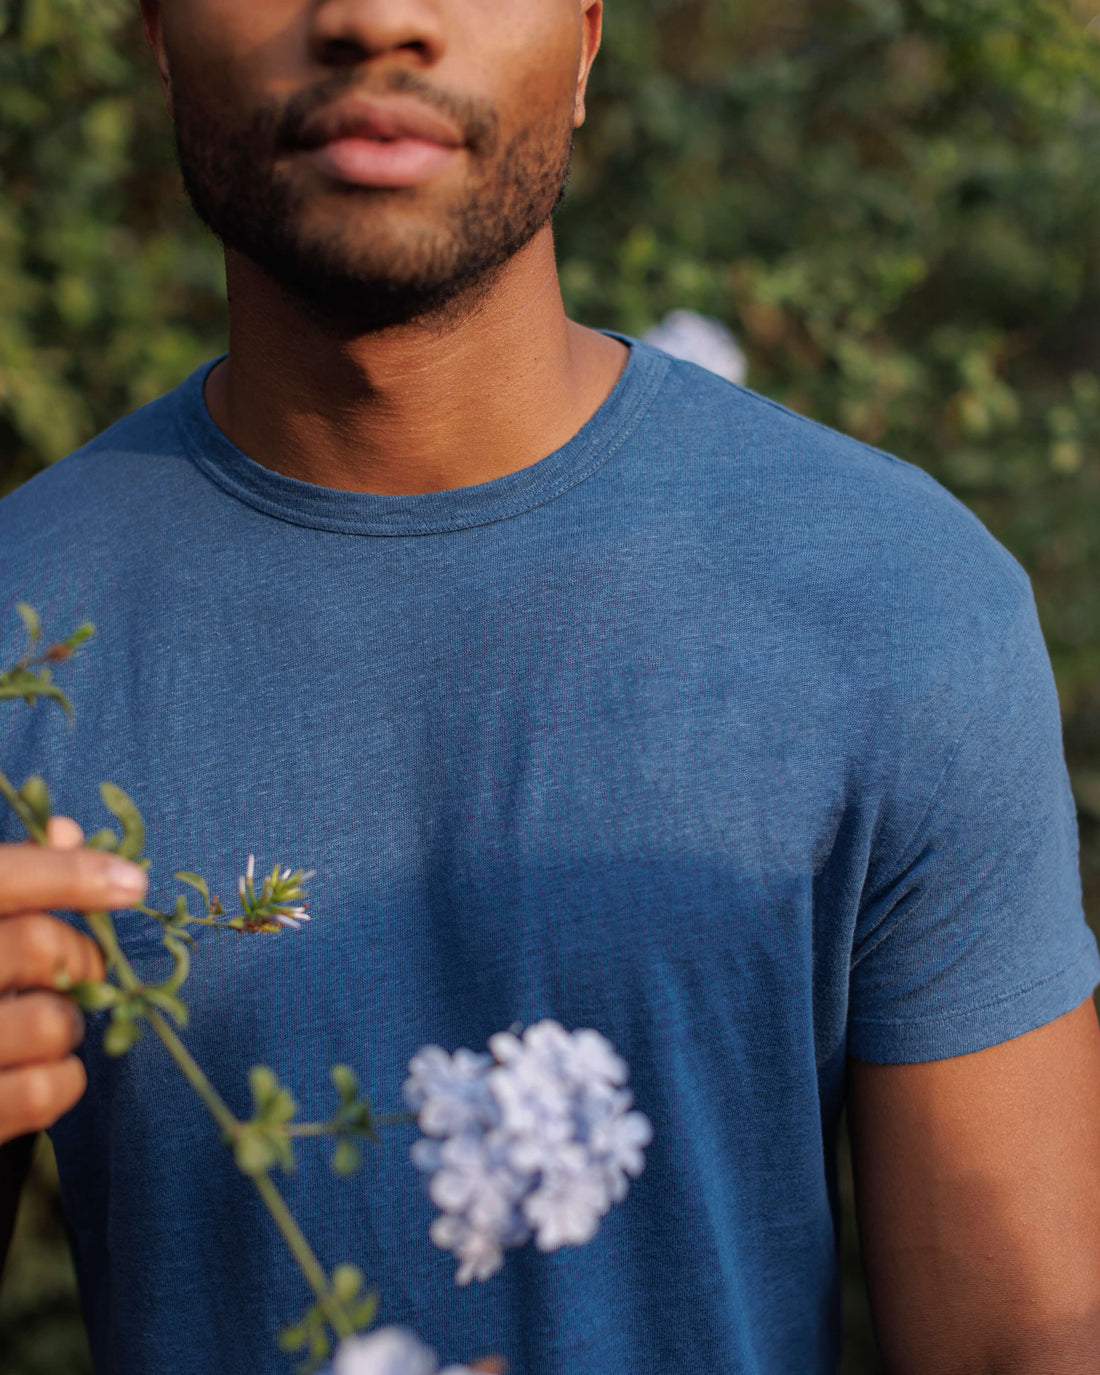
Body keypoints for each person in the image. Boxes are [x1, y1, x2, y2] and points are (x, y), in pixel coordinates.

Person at [1, 1, 1099, 1371]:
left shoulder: (900, 602)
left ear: (585, 40)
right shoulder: (20, 643)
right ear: (156, 34)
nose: (373, 16)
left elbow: (1020, 1347)